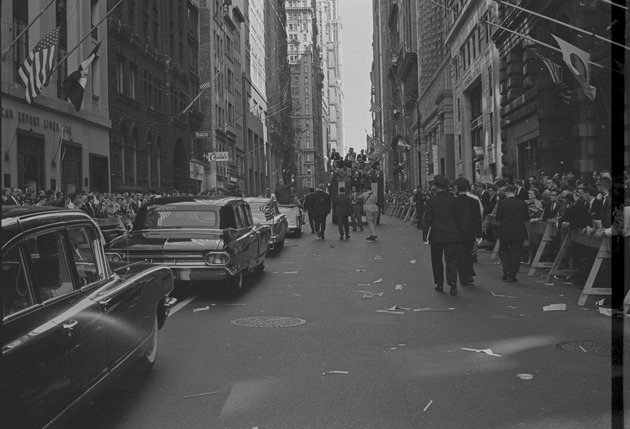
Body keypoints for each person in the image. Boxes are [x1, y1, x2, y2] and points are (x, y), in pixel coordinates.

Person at [422, 175, 459, 295]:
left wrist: (425, 236)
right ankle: (453, 282)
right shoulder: (454, 200)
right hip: (452, 234)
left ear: (436, 187)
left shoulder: (431, 201)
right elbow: (459, 218)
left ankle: (439, 283)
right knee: (451, 259)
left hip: (436, 234)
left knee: (437, 260)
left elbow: (427, 220)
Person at [495, 185, 529, 283]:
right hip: (519, 231)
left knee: (503, 250)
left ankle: (506, 267)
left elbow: (498, 218)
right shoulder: (522, 203)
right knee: (516, 253)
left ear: (506, 192)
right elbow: (526, 217)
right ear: (515, 192)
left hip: (505, 231)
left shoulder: (502, 203)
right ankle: (513, 274)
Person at [453, 178, 482, 286]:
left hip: (458, 233)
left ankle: (463, 277)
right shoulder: (474, 201)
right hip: (470, 232)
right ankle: (469, 274)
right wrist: (478, 234)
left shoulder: (454, 202)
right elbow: (478, 219)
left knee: (460, 256)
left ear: (456, 187)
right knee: (469, 254)